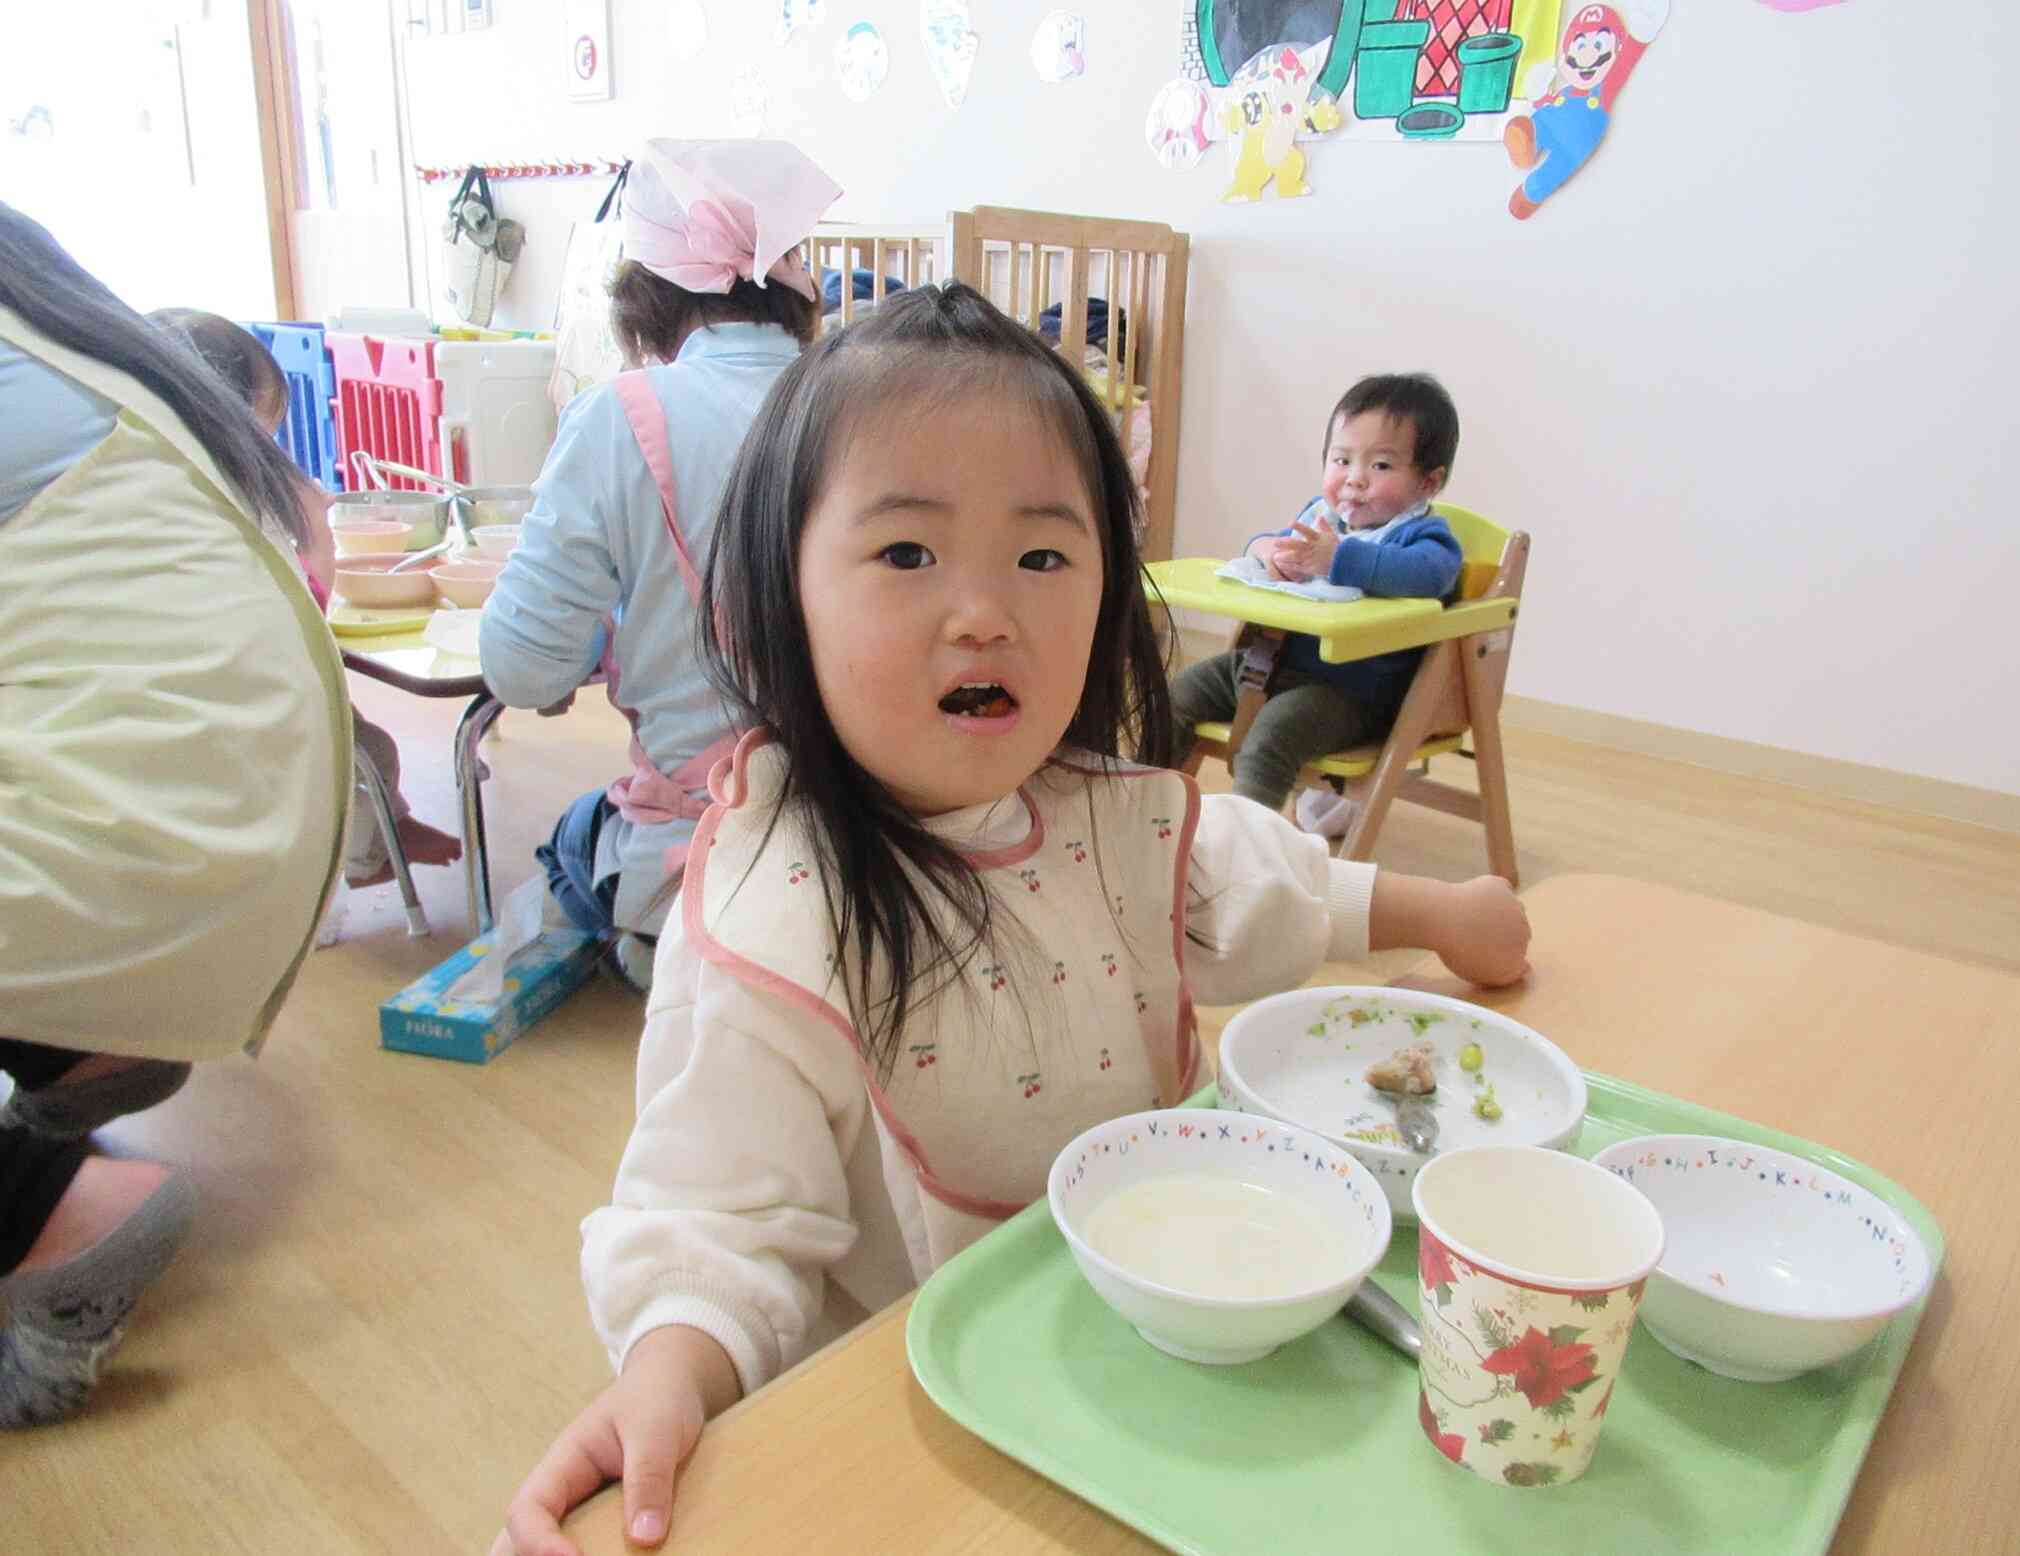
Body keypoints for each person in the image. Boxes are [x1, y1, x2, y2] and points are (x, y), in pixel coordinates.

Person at [493, 285, 1529, 1554]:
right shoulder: (778, 914)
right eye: (906, 553)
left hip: (1164, 1342)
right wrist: (663, 1374)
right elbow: (717, 1218)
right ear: (783, 593)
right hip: (937, 1430)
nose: (984, 609)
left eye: (1043, 555)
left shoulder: (1105, 809)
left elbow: (1261, 883)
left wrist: (1444, 912)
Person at [0, 205, 351, 1425]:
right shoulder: (75, 339)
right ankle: (74, 1055)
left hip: (149, 840)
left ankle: (46, 1203)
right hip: (263, 842)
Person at [479, 139, 840, 990]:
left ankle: (659, 945)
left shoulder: (620, 416)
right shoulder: (862, 396)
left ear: (644, 297)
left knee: (570, 835)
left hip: (708, 856)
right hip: (863, 839)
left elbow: (521, 668)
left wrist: (589, 644)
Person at [149, 307, 461, 891]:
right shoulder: (232, 487)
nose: (269, 444)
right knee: (366, 747)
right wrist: (320, 538)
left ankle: (391, 830)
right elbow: (313, 585)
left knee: (358, 736)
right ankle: (369, 856)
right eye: (265, 428)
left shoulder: (148, 478)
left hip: (183, 696)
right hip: (236, 703)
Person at [1170, 373, 1463, 837]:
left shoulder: (1423, 538)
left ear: (1428, 482)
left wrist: (1339, 559)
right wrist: (1268, 552)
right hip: (1266, 664)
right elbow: (1272, 547)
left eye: (1381, 466)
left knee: (1270, 738)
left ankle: (1247, 855)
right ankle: (1141, 818)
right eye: (1341, 459)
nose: (1355, 479)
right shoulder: (1320, 519)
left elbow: (1428, 575)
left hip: (1350, 693)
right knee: (1171, 699)